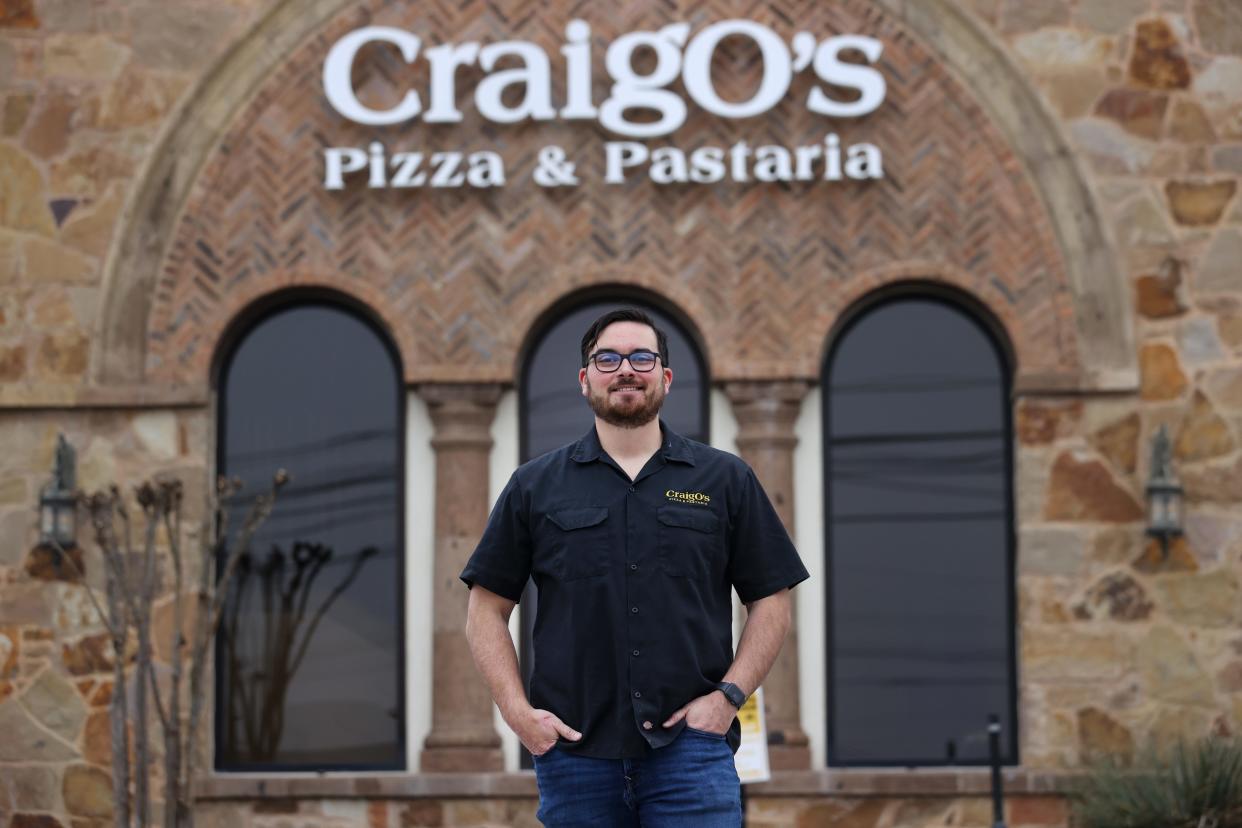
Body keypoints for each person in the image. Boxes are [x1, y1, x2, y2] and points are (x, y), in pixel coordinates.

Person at [460, 308, 809, 827]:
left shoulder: (724, 479)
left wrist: (728, 698)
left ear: (665, 378)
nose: (626, 368)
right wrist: (517, 714)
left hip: (691, 756)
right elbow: (484, 612)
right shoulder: (535, 487)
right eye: (608, 358)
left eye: (642, 357)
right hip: (575, 758)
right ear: (585, 380)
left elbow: (772, 599)